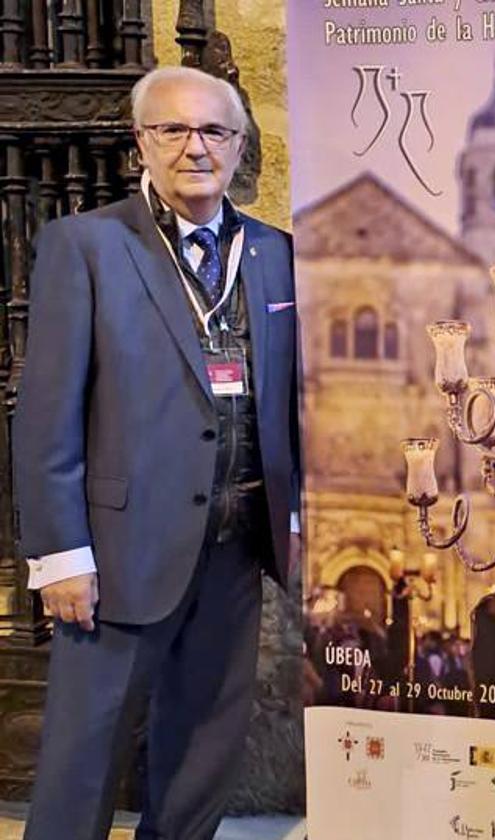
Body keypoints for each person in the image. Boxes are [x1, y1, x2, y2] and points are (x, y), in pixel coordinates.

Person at [14, 66, 300, 840]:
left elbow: (294, 401)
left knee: (205, 745)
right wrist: (60, 554)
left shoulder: (276, 253)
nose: (194, 147)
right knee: (86, 753)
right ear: (142, 140)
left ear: (239, 145)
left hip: (239, 544)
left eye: (213, 131)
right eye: (172, 129)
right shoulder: (86, 245)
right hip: (116, 551)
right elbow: (46, 412)